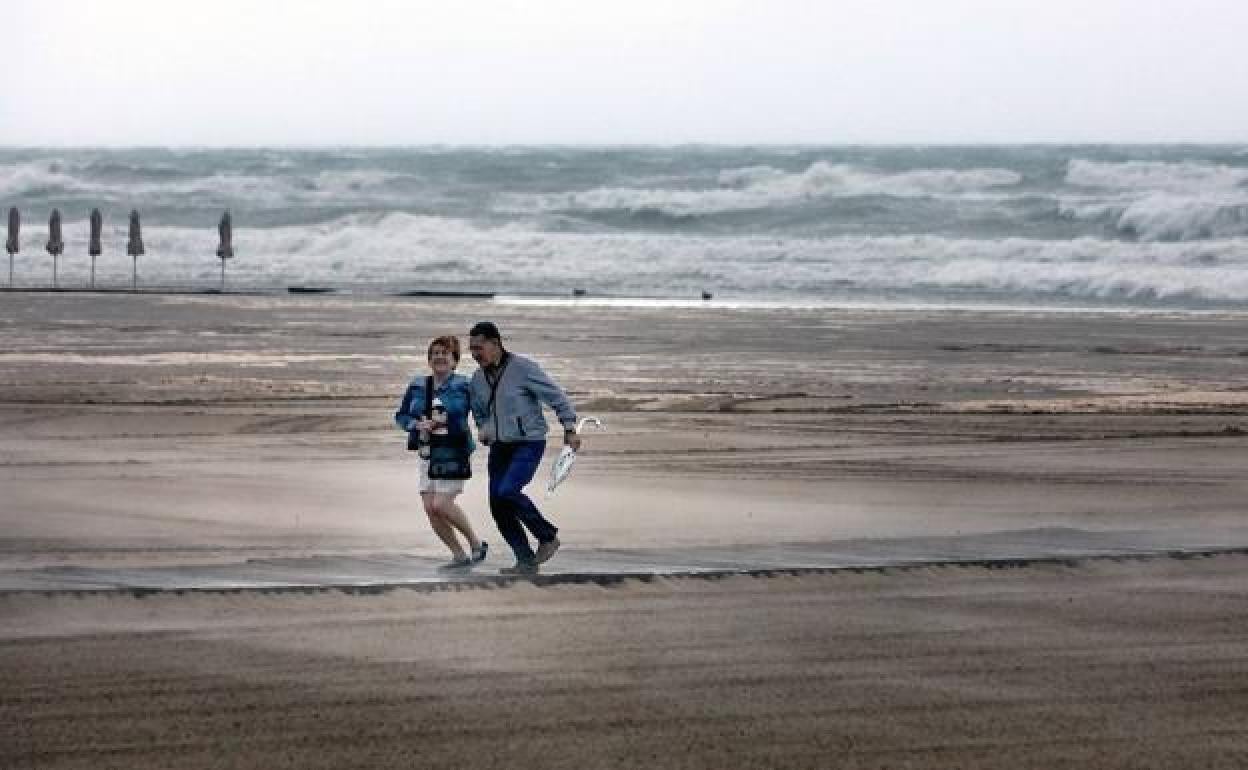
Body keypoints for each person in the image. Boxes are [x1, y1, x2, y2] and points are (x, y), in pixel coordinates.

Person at [468, 321, 581, 574]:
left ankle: (548, 536)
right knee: (497, 505)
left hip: (528, 443)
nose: (475, 354)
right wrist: (483, 429)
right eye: (472, 349)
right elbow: (478, 411)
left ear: (495, 344)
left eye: (479, 348)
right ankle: (525, 561)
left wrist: (569, 427)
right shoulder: (476, 379)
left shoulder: (523, 368)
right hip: (499, 447)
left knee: (508, 491)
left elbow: (556, 396)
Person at [395, 335, 488, 570]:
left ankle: (476, 544)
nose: (439, 357)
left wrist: (446, 419)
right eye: (435, 353)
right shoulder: (417, 384)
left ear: (455, 361)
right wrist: (415, 425)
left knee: (441, 505)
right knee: (429, 508)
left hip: (453, 451)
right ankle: (458, 555)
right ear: (429, 359)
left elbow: (478, 412)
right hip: (427, 452)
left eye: (445, 353)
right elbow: (401, 415)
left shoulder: (464, 385)